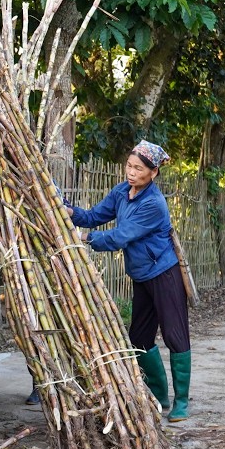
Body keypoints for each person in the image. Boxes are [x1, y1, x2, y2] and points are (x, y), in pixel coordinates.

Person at [66, 140, 191, 421]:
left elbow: (121, 236)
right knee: (140, 337)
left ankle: (182, 401)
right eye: (129, 166)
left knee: (174, 334)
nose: (131, 173)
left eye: (139, 169)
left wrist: (84, 238)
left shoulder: (154, 204)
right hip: (141, 274)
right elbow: (95, 216)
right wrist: (71, 213)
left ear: (153, 172)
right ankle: (160, 396)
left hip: (164, 274)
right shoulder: (122, 191)